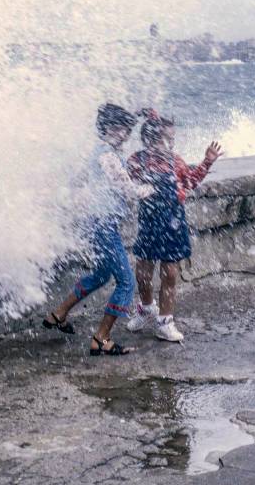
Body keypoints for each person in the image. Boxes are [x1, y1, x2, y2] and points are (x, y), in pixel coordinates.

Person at [42, 103, 154, 356]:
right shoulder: (108, 157)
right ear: (112, 129)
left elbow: (80, 181)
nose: (127, 135)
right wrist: (150, 189)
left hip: (93, 223)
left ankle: (58, 314)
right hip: (103, 226)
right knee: (125, 282)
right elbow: (128, 190)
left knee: (102, 274)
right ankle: (101, 338)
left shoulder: (100, 151)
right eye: (124, 129)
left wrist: (138, 114)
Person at [125, 108, 222, 341]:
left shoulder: (175, 161)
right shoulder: (136, 161)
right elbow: (126, 187)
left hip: (173, 222)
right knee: (143, 271)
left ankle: (165, 321)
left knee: (169, 272)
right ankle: (147, 308)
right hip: (149, 222)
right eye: (169, 137)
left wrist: (207, 162)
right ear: (152, 138)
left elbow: (189, 181)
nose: (172, 141)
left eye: (173, 138)